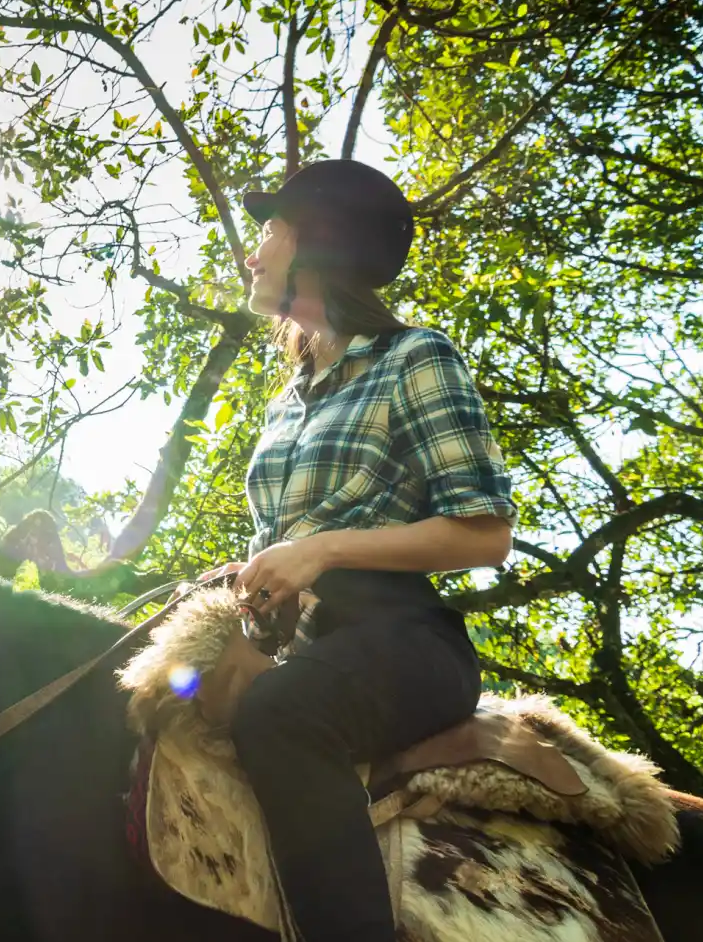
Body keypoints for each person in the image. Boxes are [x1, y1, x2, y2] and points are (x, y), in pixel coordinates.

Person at [196, 159, 516, 942]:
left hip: (405, 642)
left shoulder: (416, 356)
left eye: (270, 231)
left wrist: (322, 550)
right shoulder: (284, 404)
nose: (252, 251)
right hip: (302, 644)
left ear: (319, 244)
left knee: (281, 715)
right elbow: (281, 551)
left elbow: (486, 532)